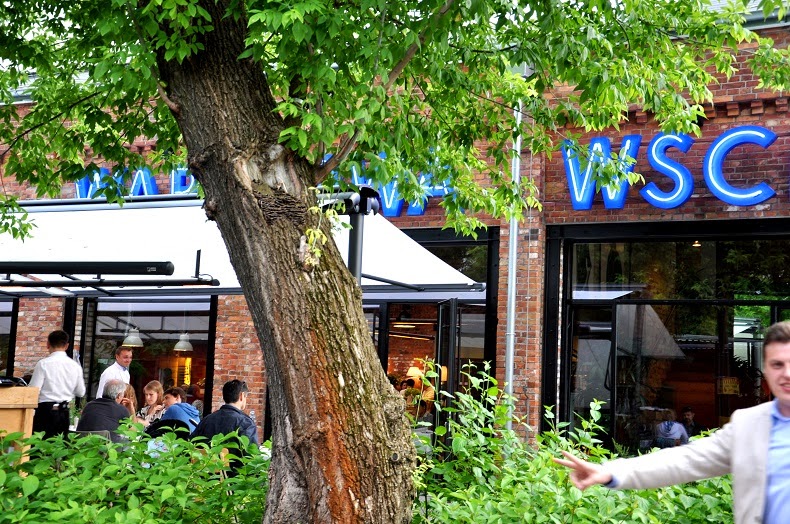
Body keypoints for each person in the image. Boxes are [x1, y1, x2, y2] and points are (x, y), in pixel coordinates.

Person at [553, 319, 790, 524]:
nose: (786, 373)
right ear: (766, 372)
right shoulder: (748, 425)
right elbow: (684, 460)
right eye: (777, 364)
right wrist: (609, 471)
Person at [192, 379, 258, 474]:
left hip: (204, 478)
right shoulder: (245, 423)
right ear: (241, 396)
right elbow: (252, 458)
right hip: (233, 480)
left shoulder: (206, 420)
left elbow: (192, 447)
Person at [29, 330, 86, 439]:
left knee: (40, 445)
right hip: (64, 412)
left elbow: (33, 391)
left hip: (45, 412)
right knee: (60, 446)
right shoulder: (75, 366)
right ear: (67, 346)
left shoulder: (43, 364)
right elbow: (81, 392)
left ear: (48, 344)